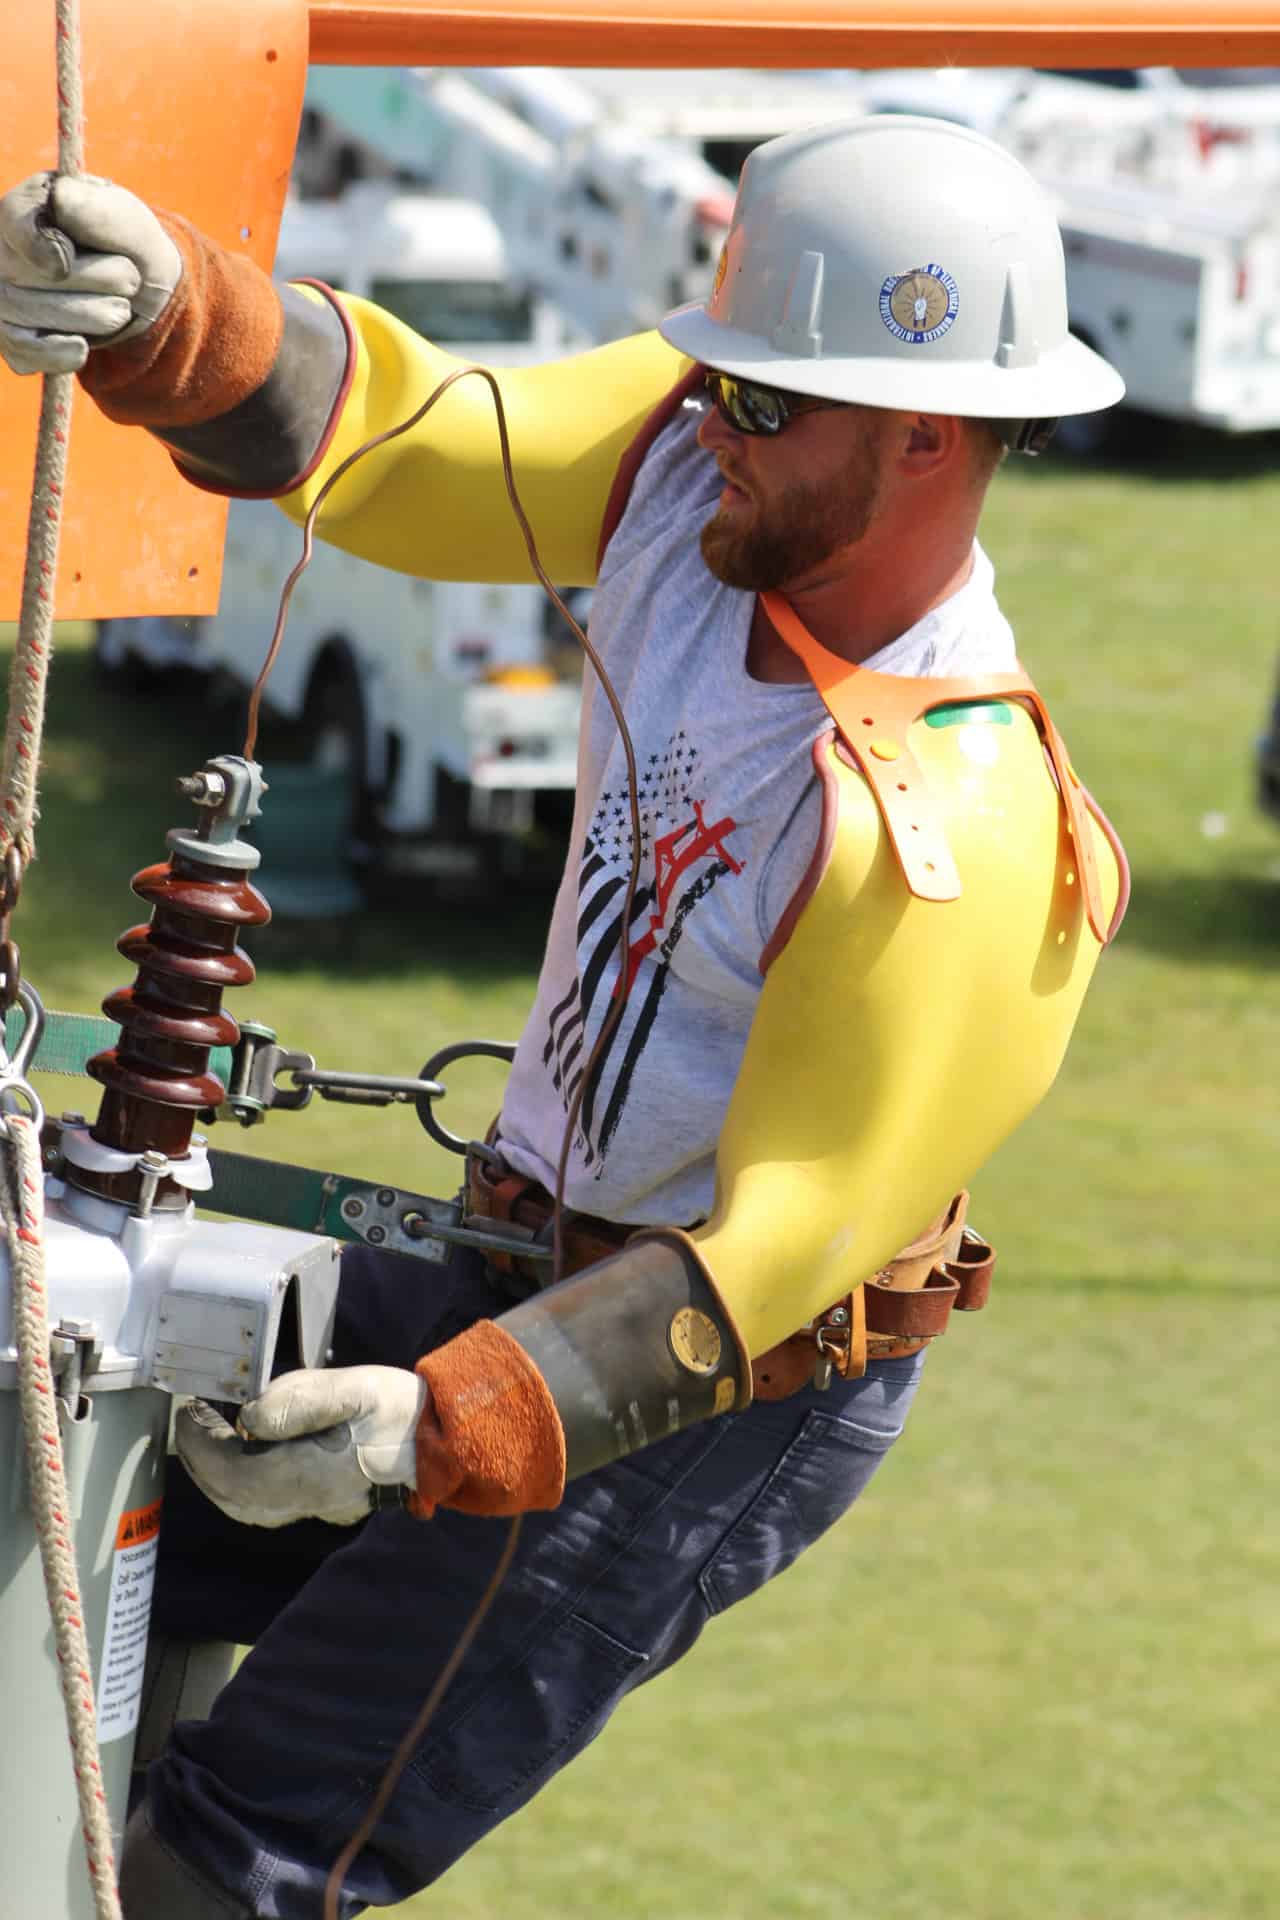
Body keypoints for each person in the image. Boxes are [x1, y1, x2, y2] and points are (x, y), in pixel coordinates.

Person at [0, 116, 1129, 1918]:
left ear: (925, 438)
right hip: (511, 1270)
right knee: (28, 1477)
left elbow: (778, 1252)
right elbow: (425, 440)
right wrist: (175, 317)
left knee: (226, 1867)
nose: (707, 418)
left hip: (705, 1395)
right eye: (719, 375)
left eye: (767, 402)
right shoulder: (694, 475)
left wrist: (427, 1431)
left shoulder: (953, 822)